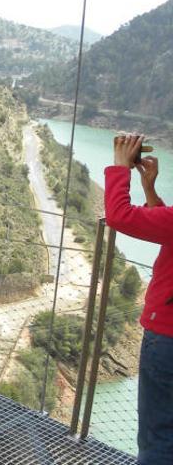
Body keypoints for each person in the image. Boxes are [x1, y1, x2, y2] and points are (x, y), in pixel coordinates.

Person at [105, 135, 173, 464]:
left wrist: (120, 168)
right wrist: (149, 190)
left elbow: (119, 216)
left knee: (158, 438)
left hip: (168, 341)